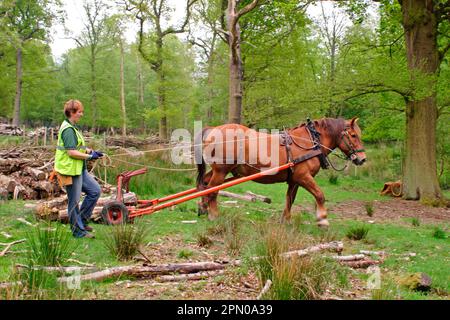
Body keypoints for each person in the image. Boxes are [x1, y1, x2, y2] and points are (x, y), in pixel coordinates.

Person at [54, 99, 103, 238]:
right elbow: (71, 152)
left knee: (95, 191)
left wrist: (90, 151)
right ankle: (78, 232)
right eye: (80, 112)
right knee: (74, 201)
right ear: (71, 112)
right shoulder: (68, 130)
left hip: (79, 169)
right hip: (70, 170)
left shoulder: (73, 126)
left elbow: (78, 147)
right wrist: (89, 157)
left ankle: (82, 220)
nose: (82, 114)